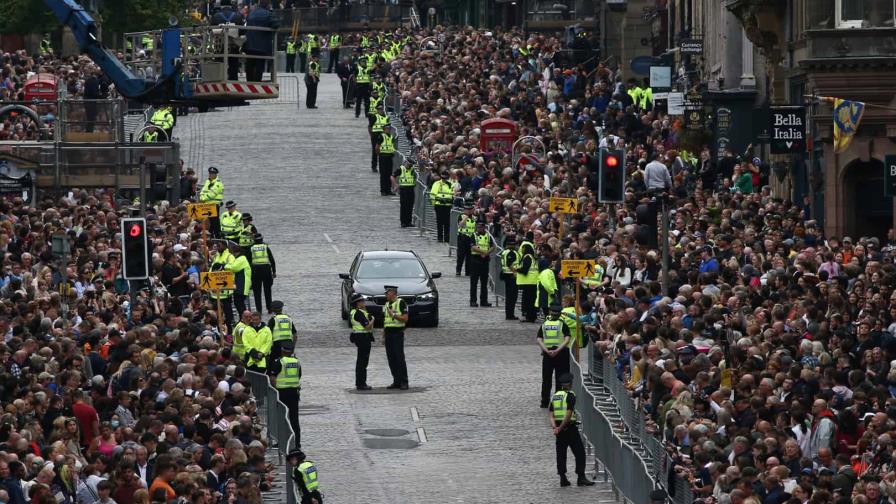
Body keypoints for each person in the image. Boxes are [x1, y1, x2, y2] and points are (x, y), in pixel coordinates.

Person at [550, 373, 594, 487]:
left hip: (559, 430)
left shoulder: (556, 395)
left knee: (561, 454)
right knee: (580, 452)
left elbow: (551, 414)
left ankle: (563, 478)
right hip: (569, 428)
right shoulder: (570, 395)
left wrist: (555, 427)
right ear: (570, 384)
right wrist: (560, 427)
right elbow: (569, 414)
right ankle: (581, 477)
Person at [537, 304, 571, 408]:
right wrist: (557, 350)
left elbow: (539, 339)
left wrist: (546, 350)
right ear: (560, 314)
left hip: (548, 354)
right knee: (560, 378)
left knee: (546, 379)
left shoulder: (545, 324)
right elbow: (567, 338)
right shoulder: (563, 324)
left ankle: (544, 401)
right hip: (561, 353)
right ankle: (558, 401)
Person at [269, 342, 301, 447]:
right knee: (294, 419)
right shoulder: (297, 362)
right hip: (294, 393)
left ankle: (282, 442)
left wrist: (275, 389)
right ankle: (296, 443)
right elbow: (299, 376)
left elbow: (273, 378)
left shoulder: (279, 362)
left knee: (282, 418)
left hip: (282, 393)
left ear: (282, 350)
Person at [382, 285, 409, 389]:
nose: (386, 295)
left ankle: (404, 381)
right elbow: (385, 321)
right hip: (388, 334)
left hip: (397, 333)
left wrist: (394, 315)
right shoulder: (387, 304)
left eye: (387, 293)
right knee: (391, 358)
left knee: (399, 357)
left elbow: (405, 319)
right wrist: (383, 336)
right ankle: (396, 380)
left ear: (393, 293)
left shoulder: (401, 302)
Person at [210, 0, 244, 81]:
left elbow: (211, 31)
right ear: (231, 5)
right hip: (233, 47)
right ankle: (233, 83)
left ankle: (218, 82)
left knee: (219, 66)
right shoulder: (237, 16)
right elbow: (242, 32)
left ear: (221, 6)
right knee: (233, 68)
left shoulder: (216, 16)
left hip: (220, 47)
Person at [244, 0, 278, 82]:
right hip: (261, 47)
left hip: (250, 45)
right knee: (259, 67)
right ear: (267, 5)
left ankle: (249, 83)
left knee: (250, 65)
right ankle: (257, 83)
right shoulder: (268, 14)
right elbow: (276, 25)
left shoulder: (251, 13)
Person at [349, 293, 374, 390]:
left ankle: (360, 382)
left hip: (359, 337)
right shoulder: (359, 313)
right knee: (363, 362)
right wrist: (373, 320)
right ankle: (361, 383)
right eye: (362, 301)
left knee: (361, 361)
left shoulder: (354, 312)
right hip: (363, 338)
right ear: (357, 303)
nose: (364, 302)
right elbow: (367, 326)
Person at [210, 240, 235, 329]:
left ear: (225, 246)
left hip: (225, 292)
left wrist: (223, 267)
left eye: (219, 246)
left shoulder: (229, 256)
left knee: (228, 315)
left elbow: (232, 268)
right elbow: (212, 269)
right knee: (216, 314)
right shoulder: (216, 255)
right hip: (215, 292)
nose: (217, 247)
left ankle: (229, 331)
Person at [469, 220, 493, 307]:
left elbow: (493, 246)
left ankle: (484, 301)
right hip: (475, 260)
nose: (480, 228)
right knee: (474, 282)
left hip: (485, 260)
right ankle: (473, 301)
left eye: (481, 227)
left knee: (484, 282)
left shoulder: (488, 236)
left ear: (484, 228)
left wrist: (487, 253)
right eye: (478, 227)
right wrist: (483, 252)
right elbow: (472, 247)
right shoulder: (473, 235)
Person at [250, 234, 276, 313]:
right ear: (262, 239)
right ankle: (269, 308)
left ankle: (259, 310)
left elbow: (248, 260)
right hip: (266, 270)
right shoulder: (265, 247)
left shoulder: (251, 248)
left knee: (257, 292)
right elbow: (272, 260)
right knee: (267, 290)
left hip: (255, 270)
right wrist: (274, 271)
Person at [514, 240, 539, 322]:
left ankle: (529, 317)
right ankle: (532, 316)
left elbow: (525, 270)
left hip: (528, 282)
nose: (522, 250)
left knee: (527, 301)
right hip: (533, 282)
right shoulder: (533, 257)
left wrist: (516, 269)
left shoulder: (527, 257)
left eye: (523, 248)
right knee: (532, 300)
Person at [224, 243, 252, 315]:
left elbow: (234, 268)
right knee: (238, 303)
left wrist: (225, 265)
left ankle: (245, 317)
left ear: (237, 252)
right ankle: (243, 317)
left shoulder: (241, 259)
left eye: (233, 253)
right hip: (240, 284)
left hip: (242, 285)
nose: (233, 255)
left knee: (239, 303)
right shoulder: (240, 258)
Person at [429, 171, 454, 243]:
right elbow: (433, 195)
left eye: (445, 178)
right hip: (439, 205)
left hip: (447, 206)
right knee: (439, 222)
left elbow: (452, 194)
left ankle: (446, 238)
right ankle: (440, 237)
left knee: (447, 223)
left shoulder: (450, 184)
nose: (444, 179)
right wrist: (434, 204)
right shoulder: (437, 184)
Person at [200, 167, 224, 236]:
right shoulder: (207, 181)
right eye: (210, 173)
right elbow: (203, 191)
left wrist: (202, 198)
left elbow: (212, 194)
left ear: (216, 174)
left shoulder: (218, 184)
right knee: (208, 221)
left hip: (214, 205)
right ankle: (211, 233)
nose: (210, 175)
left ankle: (217, 235)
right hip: (207, 205)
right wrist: (202, 197)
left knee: (214, 221)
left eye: (212, 173)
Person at [392, 161, 417, 227]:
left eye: (411, 165)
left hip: (411, 189)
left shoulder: (412, 169)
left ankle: (409, 222)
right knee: (404, 206)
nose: (410, 166)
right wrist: (395, 185)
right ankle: (403, 222)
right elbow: (392, 176)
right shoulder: (401, 169)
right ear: (406, 163)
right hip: (403, 190)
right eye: (409, 165)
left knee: (410, 206)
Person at [500, 238, 519, 320]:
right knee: (512, 297)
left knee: (509, 297)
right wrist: (515, 272)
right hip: (511, 276)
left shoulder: (504, 252)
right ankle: (510, 314)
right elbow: (509, 264)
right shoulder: (511, 252)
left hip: (506, 275)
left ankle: (509, 314)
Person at [456, 201, 475, 276]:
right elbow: (460, 225)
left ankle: (468, 271)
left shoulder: (474, 217)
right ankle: (458, 270)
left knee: (469, 256)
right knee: (461, 255)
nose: (467, 211)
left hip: (470, 238)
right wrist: (465, 218)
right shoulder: (461, 216)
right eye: (466, 209)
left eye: (469, 210)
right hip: (462, 237)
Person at [369, 104, 389, 173]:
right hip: (375, 135)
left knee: (382, 152)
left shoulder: (386, 117)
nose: (381, 110)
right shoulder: (374, 117)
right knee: (375, 151)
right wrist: (371, 135)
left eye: (382, 109)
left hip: (383, 136)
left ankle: (382, 167)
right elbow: (370, 126)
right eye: (379, 109)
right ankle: (374, 166)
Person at [377, 124, 396, 195]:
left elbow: (392, 146)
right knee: (383, 174)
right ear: (384, 129)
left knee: (389, 173)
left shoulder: (391, 137)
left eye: (389, 129)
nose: (388, 130)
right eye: (387, 128)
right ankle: (383, 190)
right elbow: (377, 147)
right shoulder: (381, 136)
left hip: (389, 156)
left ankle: (388, 190)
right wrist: (380, 155)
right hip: (383, 156)